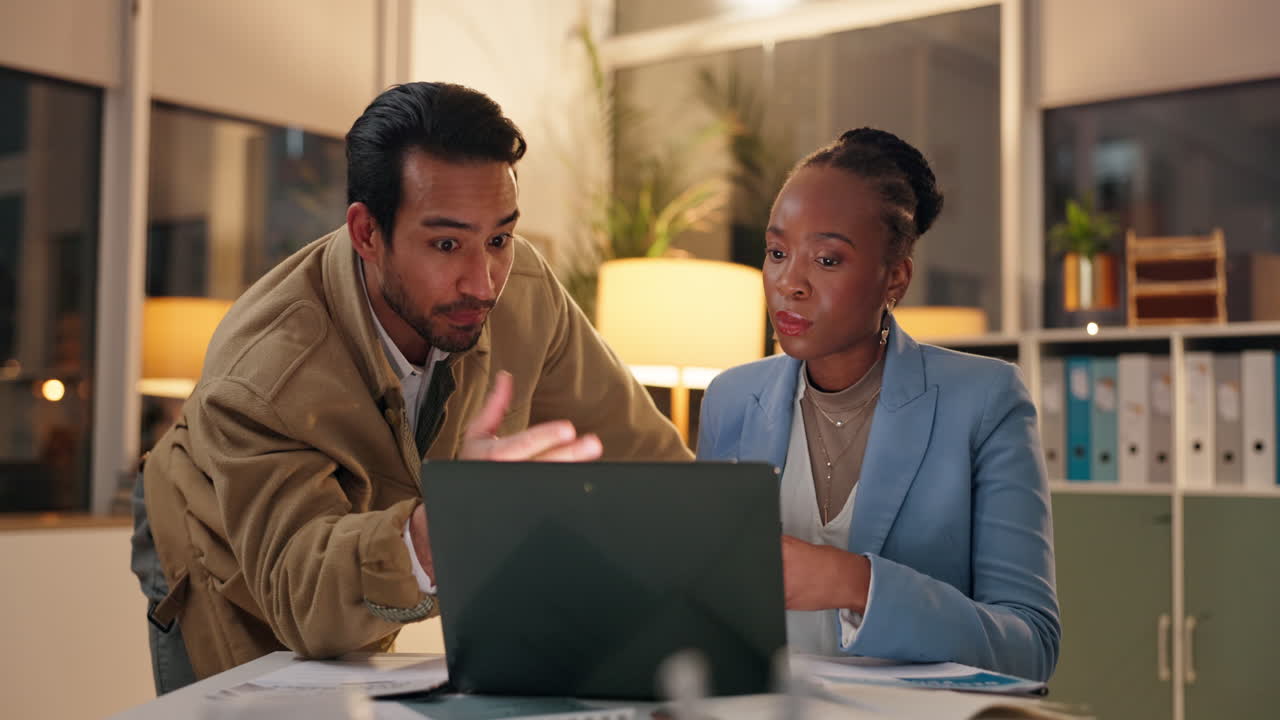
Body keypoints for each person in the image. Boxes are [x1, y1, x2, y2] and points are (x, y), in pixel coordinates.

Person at [131, 82, 691, 693]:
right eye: (446, 244)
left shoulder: (525, 291)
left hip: (371, 547)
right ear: (367, 233)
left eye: (498, 239)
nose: (484, 283)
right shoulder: (264, 370)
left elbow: (651, 465)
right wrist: (449, 523)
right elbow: (302, 599)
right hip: (226, 555)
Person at [696, 128, 1060, 682]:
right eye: (777, 253)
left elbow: (1030, 647)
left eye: (827, 259)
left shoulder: (985, 401)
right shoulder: (730, 400)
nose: (789, 283)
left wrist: (856, 584)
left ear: (895, 278)